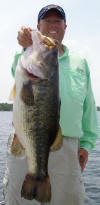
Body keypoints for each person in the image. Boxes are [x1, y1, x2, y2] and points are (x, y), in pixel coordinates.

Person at [3, 4, 98, 205]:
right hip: (25, 139)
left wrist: (87, 144)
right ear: (39, 25)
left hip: (69, 147)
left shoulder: (79, 62)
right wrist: (26, 45)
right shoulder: (26, 57)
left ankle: (39, 176)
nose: (53, 25)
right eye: (47, 21)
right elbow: (16, 70)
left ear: (65, 26)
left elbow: (89, 105)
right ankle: (35, 175)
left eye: (58, 21)